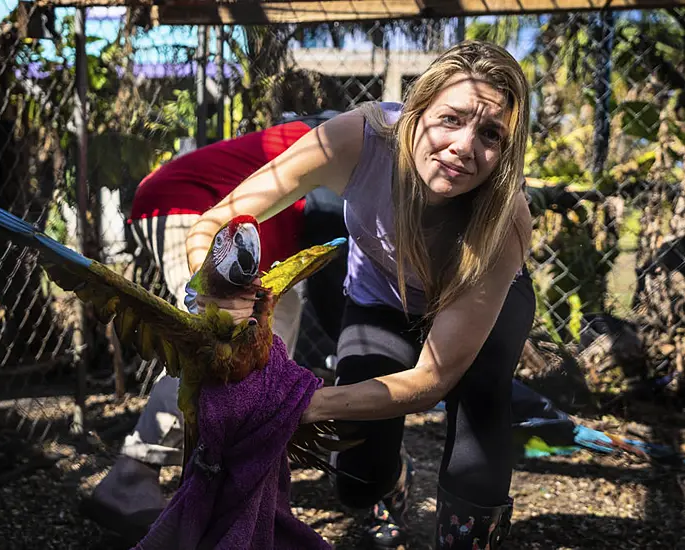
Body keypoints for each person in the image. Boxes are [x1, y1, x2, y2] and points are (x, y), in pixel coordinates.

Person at [183, 41, 536, 549]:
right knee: (358, 473)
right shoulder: (355, 140)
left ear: (506, 150)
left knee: (478, 432)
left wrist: (294, 405)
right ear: (416, 112)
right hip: (382, 296)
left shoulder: (507, 216)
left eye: (490, 134)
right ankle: (390, 484)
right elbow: (219, 219)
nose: (463, 145)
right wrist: (214, 287)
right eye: (450, 119)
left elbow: (431, 380)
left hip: (483, 304)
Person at [81, 110, 348, 542]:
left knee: (269, 340)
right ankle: (132, 474)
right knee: (216, 347)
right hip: (188, 207)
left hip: (245, 241)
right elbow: (335, 255)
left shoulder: (339, 140)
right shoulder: (346, 145)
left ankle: (237, 464)